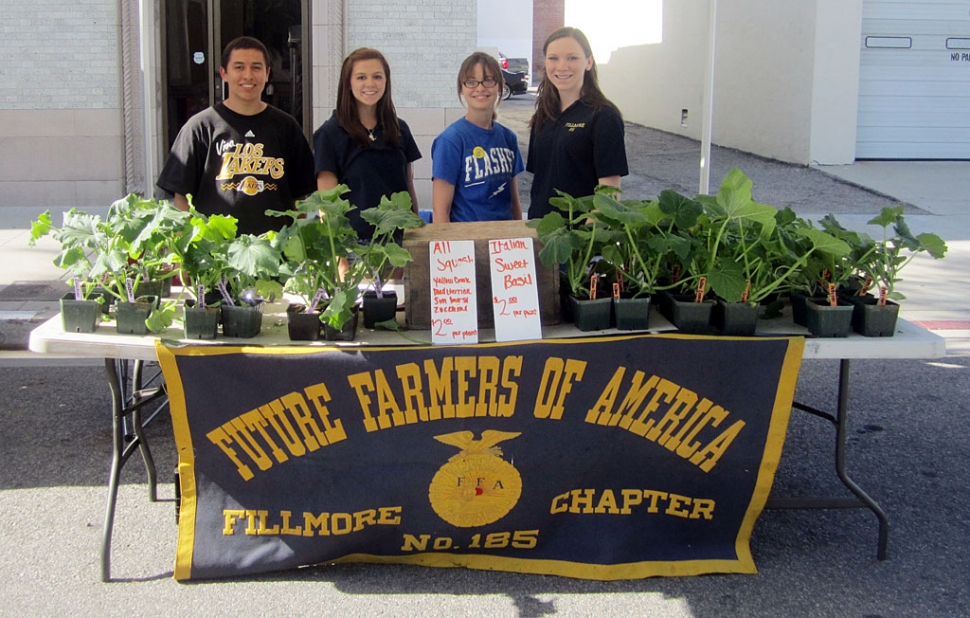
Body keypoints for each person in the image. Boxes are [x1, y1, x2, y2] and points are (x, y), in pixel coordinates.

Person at [157, 36, 315, 235]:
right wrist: (186, 251)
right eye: (239, 67)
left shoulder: (286, 127)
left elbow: (299, 197)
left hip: (276, 253)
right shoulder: (200, 128)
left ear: (267, 74)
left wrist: (295, 244)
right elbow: (181, 199)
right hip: (215, 255)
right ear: (224, 73)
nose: (248, 75)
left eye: (256, 68)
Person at [313, 48, 421, 241]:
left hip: (398, 242)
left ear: (386, 82)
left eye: (377, 77)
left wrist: (414, 234)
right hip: (354, 246)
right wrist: (340, 260)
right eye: (361, 77)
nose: (370, 84)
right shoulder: (329, 134)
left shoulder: (399, 129)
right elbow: (327, 205)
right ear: (348, 83)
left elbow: (408, 186)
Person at [526, 27, 629, 220]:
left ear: (589, 62)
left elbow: (609, 194)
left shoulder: (603, 117)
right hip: (540, 231)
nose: (562, 66)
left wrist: (584, 242)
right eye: (553, 58)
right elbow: (541, 180)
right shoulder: (544, 114)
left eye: (572, 58)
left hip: (578, 239)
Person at [431, 52, 524, 223]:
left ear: (499, 86)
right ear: (461, 88)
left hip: (504, 241)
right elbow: (440, 211)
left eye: (488, 80)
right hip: (466, 241)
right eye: (471, 81)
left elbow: (514, 201)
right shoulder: (450, 141)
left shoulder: (508, 138)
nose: (480, 88)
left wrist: (520, 234)